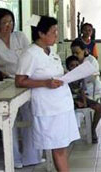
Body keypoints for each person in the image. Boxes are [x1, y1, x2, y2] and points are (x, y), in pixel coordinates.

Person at [15, 15, 80, 171]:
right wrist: (45, 83)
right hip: (48, 109)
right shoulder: (30, 54)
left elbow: (55, 72)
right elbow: (20, 81)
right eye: (53, 31)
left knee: (62, 146)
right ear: (41, 34)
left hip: (62, 106)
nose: (56, 34)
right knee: (57, 148)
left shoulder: (51, 51)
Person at [0, 8, 42, 168]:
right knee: (10, 120)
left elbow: (30, 57)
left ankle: (32, 156)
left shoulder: (20, 37)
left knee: (30, 117)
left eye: (10, 21)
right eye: (4, 23)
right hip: (7, 83)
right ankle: (14, 158)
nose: (9, 25)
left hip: (25, 80)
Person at [65, 55, 101, 144]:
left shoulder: (81, 77)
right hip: (69, 101)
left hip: (80, 98)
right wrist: (76, 102)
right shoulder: (66, 78)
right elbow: (67, 95)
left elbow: (82, 91)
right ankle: (70, 134)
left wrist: (85, 103)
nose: (75, 67)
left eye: (77, 65)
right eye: (72, 66)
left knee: (99, 107)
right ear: (68, 68)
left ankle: (92, 130)